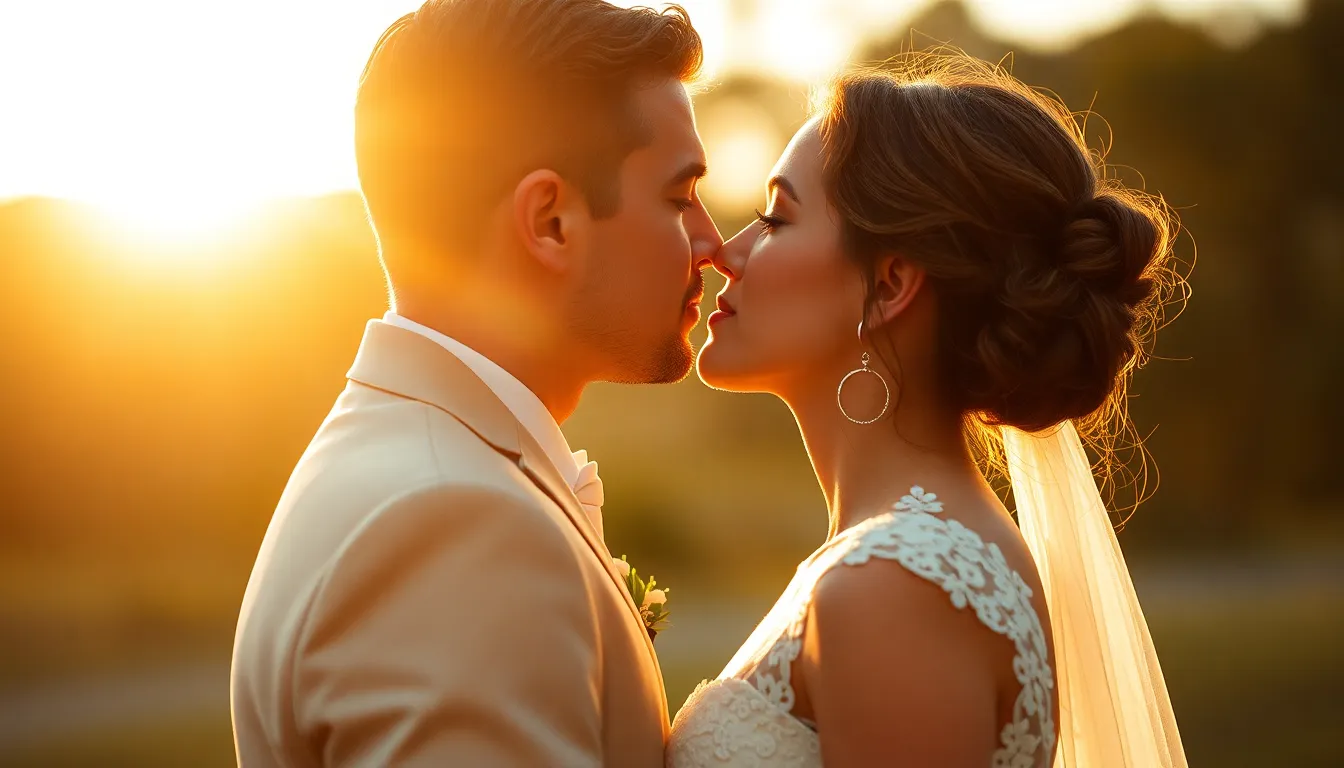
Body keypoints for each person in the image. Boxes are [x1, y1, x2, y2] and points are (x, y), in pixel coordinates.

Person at [230, 1, 720, 765]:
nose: (712, 243)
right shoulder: (455, 522)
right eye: (680, 198)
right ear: (550, 220)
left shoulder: (409, 460)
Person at [668, 54, 1188, 768]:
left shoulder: (896, 585)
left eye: (777, 217)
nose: (727, 252)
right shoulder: (905, 559)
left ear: (889, 285)